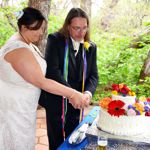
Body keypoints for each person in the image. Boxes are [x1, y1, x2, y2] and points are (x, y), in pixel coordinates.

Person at [0, 7, 90, 150]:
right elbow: (42, 81)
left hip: (24, 109)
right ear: (23, 27)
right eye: (38, 29)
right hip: (15, 112)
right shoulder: (19, 50)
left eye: (42, 28)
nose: (42, 33)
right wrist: (73, 94)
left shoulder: (26, 42)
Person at [39, 8, 98, 150]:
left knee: (75, 139)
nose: (81, 32)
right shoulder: (55, 40)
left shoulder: (91, 47)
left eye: (84, 28)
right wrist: (72, 94)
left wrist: (87, 94)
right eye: (76, 28)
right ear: (67, 26)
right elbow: (53, 72)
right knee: (57, 143)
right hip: (56, 101)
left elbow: (93, 75)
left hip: (77, 104)